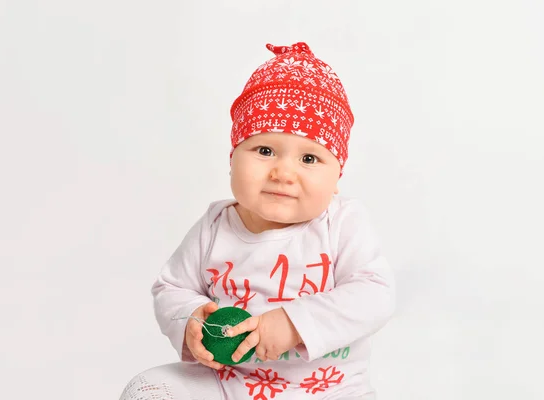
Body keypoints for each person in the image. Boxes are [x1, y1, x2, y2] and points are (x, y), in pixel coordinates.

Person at [120, 42, 395, 400]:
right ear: (233, 157)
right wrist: (190, 318)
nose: (283, 172)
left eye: (309, 159)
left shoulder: (342, 223)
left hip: (329, 388)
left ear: (337, 176)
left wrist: (295, 323)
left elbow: (375, 294)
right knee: (148, 389)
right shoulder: (215, 225)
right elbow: (171, 287)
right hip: (229, 381)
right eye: (265, 151)